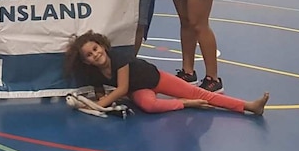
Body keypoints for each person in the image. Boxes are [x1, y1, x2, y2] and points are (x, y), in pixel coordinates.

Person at [64, 30, 268, 115]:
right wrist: (97, 103)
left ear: (103, 46)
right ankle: (185, 103)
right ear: (85, 62)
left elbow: (122, 88)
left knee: (202, 94)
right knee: (149, 106)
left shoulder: (119, 58)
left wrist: (98, 105)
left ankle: (249, 106)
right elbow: (102, 94)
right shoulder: (93, 73)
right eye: (89, 55)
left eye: (95, 49)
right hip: (138, 90)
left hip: (154, 78)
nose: (95, 55)